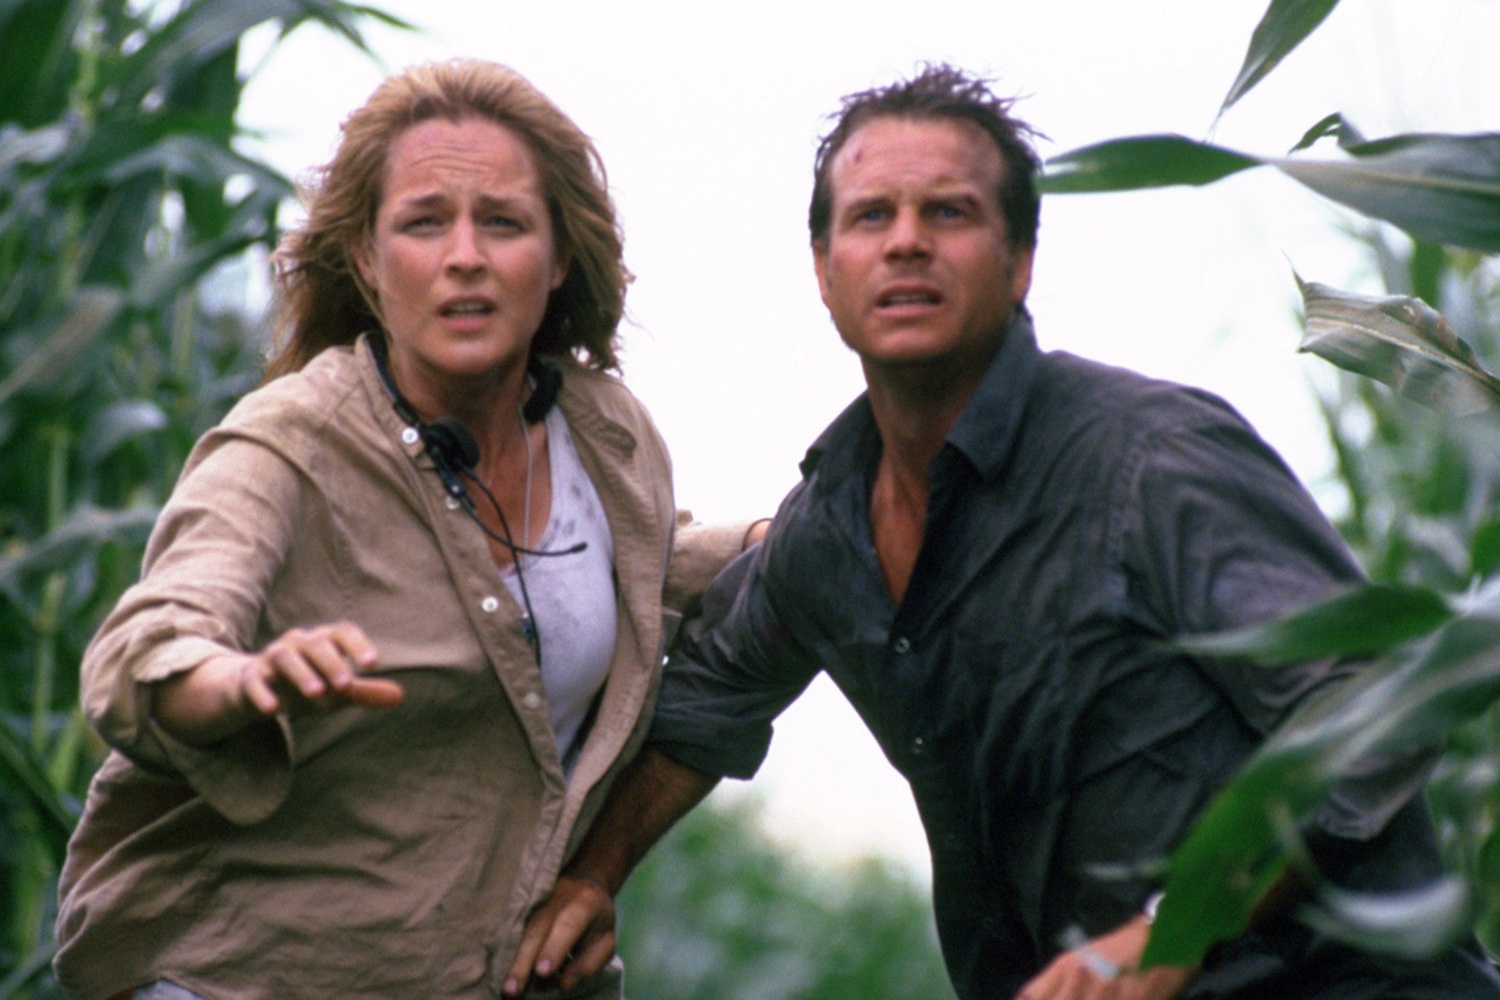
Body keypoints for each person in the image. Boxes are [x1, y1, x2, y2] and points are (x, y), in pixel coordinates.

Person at [504, 64, 1500, 1000]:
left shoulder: (1151, 458)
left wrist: (1174, 929)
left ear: (1019, 261)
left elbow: (1369, 712)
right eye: (871, 217)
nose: (906, 241)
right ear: (823, 269)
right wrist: (594, 877)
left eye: (950, 212)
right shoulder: (828, 534)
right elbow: (705, 701)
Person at [53, 58, 754, 1000]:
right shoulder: (289, 441)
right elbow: (146, 648)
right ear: (369, 261)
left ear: (556, 260)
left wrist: (804, 532)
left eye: (501, 222)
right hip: (238, 976)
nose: (464, 255)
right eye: (425, 222)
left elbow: (638, 568)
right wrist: (238, 679)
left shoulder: (604, 432)